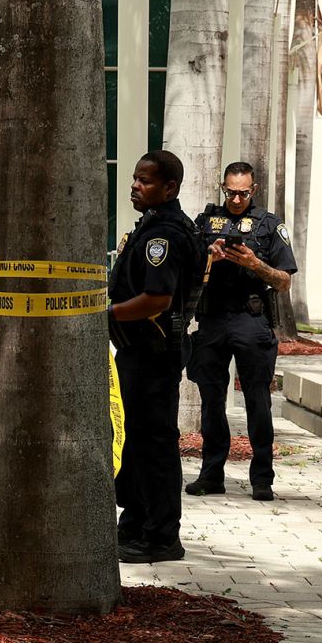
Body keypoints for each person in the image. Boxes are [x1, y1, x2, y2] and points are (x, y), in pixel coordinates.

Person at [108, 150, 201, 564]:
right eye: (134, 178)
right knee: (135, 442)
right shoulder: (151, 226)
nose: (134, 185)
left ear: (169, 188)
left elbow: (157, 299)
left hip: (152, 354)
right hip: (137, 352)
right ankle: (136, 522)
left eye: (144, 180)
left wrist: (103, 315)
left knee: (154, 444)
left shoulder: (165, 235)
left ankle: (162, 537)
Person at [186, 161, 298, 502]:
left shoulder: (269, 225)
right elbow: (183, 267)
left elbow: (284, 281)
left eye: (243, 193)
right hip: (213, 320)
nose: (236, 199)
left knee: (258, 402)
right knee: (211, 400)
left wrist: (254, 263)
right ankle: (211, 474)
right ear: (223, 187)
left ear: (254, 190)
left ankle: (262, 477)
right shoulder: (205, 222)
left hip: (252, 321)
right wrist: (209, 257)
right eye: (230, 192)